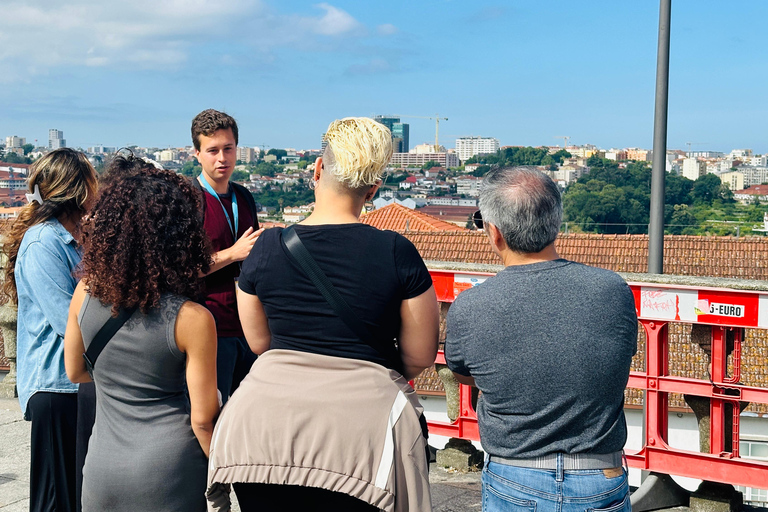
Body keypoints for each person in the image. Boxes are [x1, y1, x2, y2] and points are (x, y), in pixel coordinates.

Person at [206, 117, 439, 512]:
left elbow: (260, 343)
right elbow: (419, 356)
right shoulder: (396, 252)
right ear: (373, 189)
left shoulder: (267, 248)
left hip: (259, 434)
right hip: (360, 440)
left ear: (316, 170)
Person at [444, 166, 638, 512]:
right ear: (556, 224)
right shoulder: (613, 290)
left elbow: (462, 375)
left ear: (495, 232)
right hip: (599, 474)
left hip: (513, 475)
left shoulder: (470, 306)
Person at [63, 156, 219, 512]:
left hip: (103, 469)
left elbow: (75, 371)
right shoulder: (192, 318)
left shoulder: (84, 292)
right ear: (182, 236)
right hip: (171, 471)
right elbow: (203, 419)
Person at [1, 148, 98, 512]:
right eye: (92, 179)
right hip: (56, 386)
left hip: (75, 385)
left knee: (74, 496)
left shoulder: (75, 239)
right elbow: (68, 321)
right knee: (56, 499)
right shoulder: (44, 244)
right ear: (77, 189)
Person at [191, 108, 262, 404]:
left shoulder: (244, 196)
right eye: (213, 150)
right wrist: (232, 254)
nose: (222, 158)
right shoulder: (188, 199)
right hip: (208, 329)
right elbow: (179, 269)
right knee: (213, 415)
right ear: (196, 153)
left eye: (228, 148)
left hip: (248, 327)